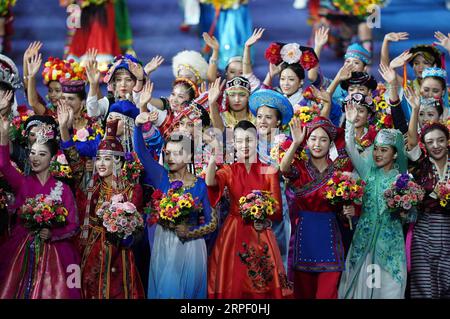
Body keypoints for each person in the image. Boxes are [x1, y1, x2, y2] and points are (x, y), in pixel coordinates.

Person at [59, 103, 145, 299]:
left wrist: (126, 231)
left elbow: (138, 227)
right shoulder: (90, 184)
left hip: (119, 254)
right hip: (89, 249)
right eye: (98, 159)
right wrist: (64, 129)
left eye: (107, 159)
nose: (100, 164)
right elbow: (73, 159)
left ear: (118, 161)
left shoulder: (131, 189)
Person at [206, 120, 292, 299]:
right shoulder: (229, 170)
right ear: (234, 144)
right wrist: (213, 159)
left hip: (261, 234)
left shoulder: (268, 170)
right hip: (234, 232)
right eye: (239, 141)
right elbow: (210, 183)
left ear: (257, 141)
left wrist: (264, 218)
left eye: (249, 140)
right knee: (233, 282)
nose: (244, 145)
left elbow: (276, 209)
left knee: (260, 283)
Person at [134, 113, 217, 298]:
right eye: (168, 153)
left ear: (188, 157)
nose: (170, 157)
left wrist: (191, 231)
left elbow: (212, 223)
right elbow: (141, 153)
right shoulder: (161, 177)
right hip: (165, 243)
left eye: (177, 153)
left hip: (192, 247)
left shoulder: (199, 184)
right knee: (167, 290)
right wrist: (137, 126)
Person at [0, 120, 81, 299]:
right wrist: (4, 137)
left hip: (56, 254)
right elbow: (4, 165)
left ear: (52, 159)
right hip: (23, 249)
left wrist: (52, 233)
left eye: (42, 154)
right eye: (33, 153)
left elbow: (74, 225)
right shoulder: (22, 182)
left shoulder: (63, 188)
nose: (35, 158)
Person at [338, 102, 408, 299]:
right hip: (364, 241)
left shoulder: (401, 181)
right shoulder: (367, 172)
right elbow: (351, 149)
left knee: (389, 289)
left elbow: (411, 215)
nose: (377, 154)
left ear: (395, 154)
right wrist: (350, 124)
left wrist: (404, 211)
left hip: (390, 243)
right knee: (363, 287)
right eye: (376, 149)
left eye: (384, 150)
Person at [279, 116, 352, 299]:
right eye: (313, 139)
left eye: (323, 139)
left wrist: (349, 211)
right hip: (303, 237)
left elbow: (346, 206)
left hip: (330, 237)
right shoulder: (300, 168)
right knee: (304, 293)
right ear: (307, 141)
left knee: (327, 293)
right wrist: (295, 144)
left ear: (330, 143)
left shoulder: (338, 171)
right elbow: (283, 169)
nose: (317, 144)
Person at [249, 89, 294, 272]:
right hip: (252, 205)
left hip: (280, 205)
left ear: (278, 121)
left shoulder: (286, 144)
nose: (262, 121)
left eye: (268, 117)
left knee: (278, 256)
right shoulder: (248, 143)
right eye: (259, 116)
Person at [407, 116, 450, 298]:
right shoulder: (420, 165)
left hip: (448, 228)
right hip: (423, 228)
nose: (436, 145)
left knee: (447, 281)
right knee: (423, 283)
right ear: (424, 144)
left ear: (448, 141)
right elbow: (410, 141)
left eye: (441, 140)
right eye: (430, 142)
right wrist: (415, 109)